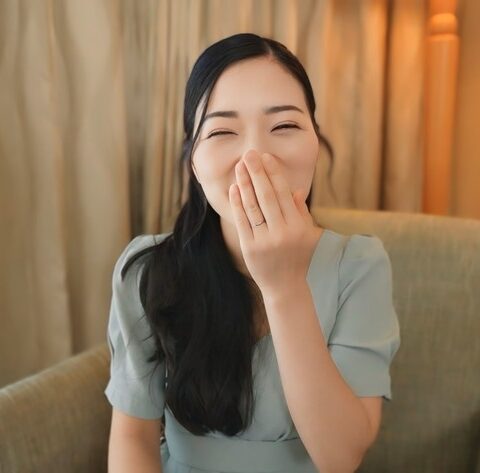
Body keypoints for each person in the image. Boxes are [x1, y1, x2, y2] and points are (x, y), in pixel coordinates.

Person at [104, 32, 401, 473]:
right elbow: (133, 439)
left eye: (284, 126)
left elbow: (341, 457)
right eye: (222, 131)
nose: (255, 155)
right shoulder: (150, 271)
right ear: (193, 161)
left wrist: (284, 287)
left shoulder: (360, 265)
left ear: (315, 144)